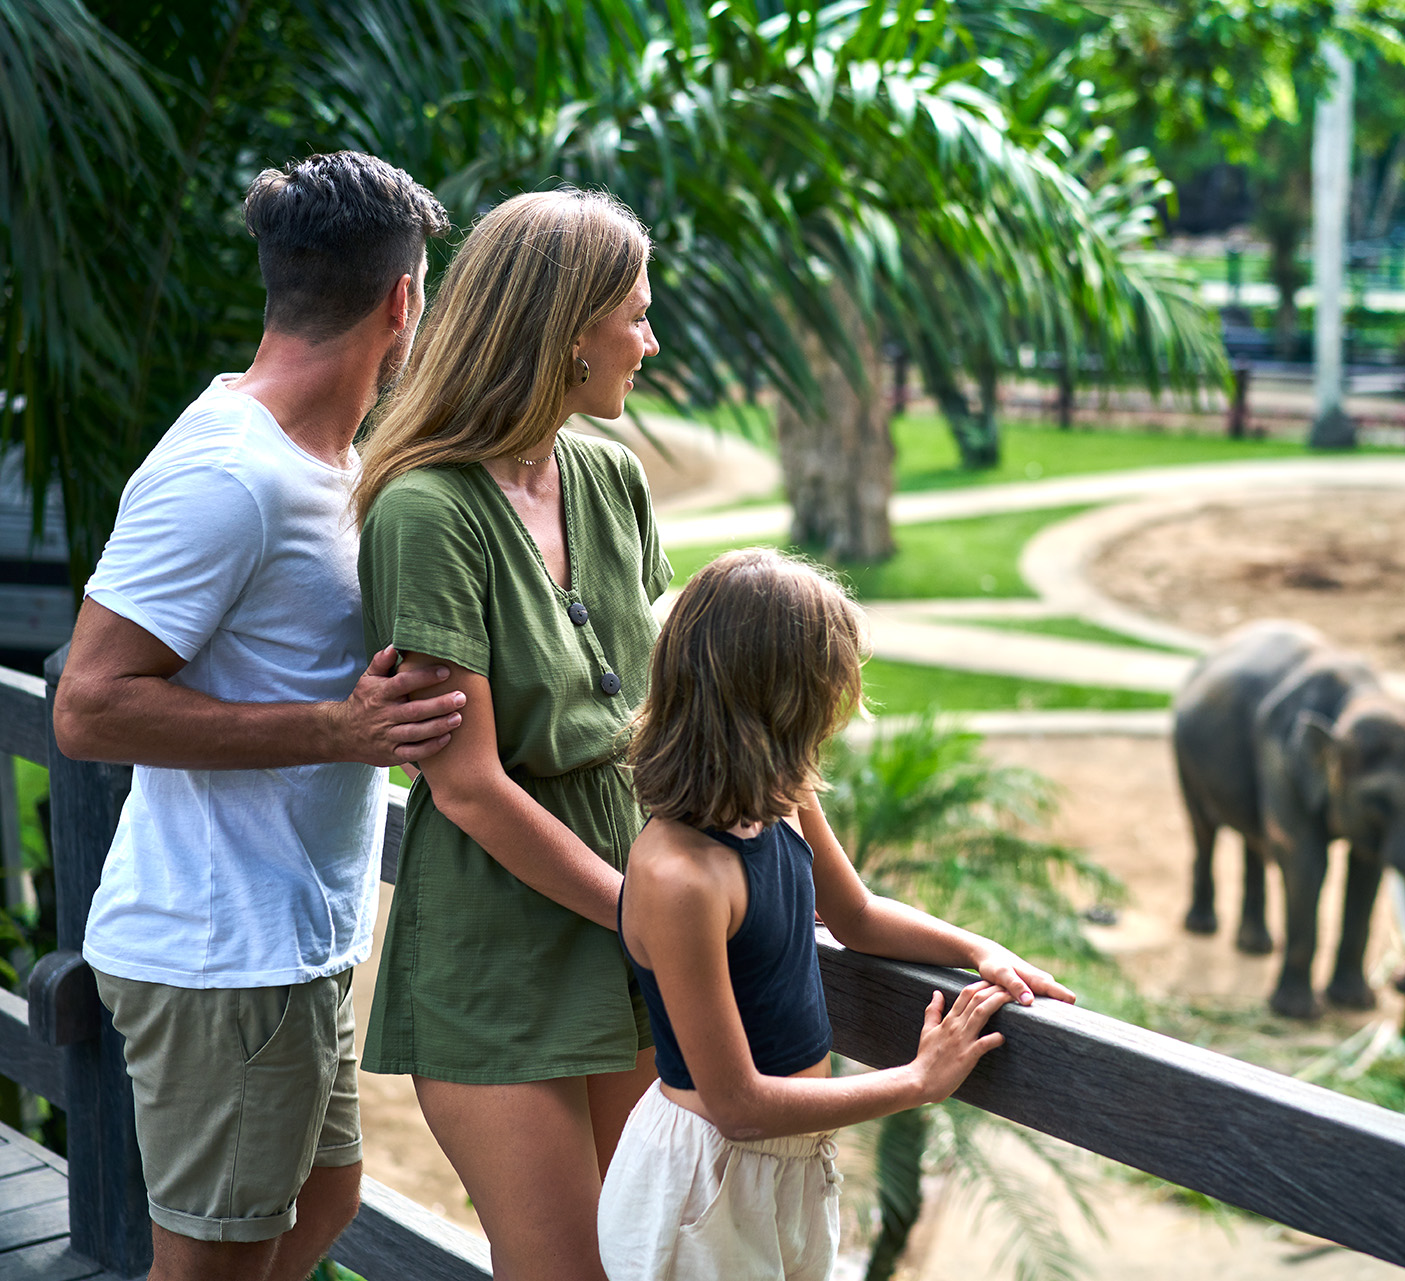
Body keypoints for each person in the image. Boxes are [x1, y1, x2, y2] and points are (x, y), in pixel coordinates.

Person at [50, 152, 461, 1281]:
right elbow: (88, 706)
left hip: (291, 945)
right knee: (209, 1268)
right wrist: (339, 730)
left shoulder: (331, 459)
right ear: (404, 299)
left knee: (325, 1205)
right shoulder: (228, 474)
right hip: (216, 952)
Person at [600, 548, 1076, 1281]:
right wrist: (919, 1079)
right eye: (826, 690)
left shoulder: (780, 795)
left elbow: (853, 914)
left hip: (790, 1159)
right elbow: (737, 1104)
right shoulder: (682, 875)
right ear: (773, 698)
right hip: (708, 1177)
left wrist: (979, 946)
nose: (839, 709)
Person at [351, 188, 668, 1281]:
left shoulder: (611, 477)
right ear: (568, 330)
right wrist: (646, 915)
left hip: (635, 917)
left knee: (652, 1261)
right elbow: (473, 787)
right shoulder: (425, 510)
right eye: (634, 314)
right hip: (503, 941)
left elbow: (656, 707)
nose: (649, 338)